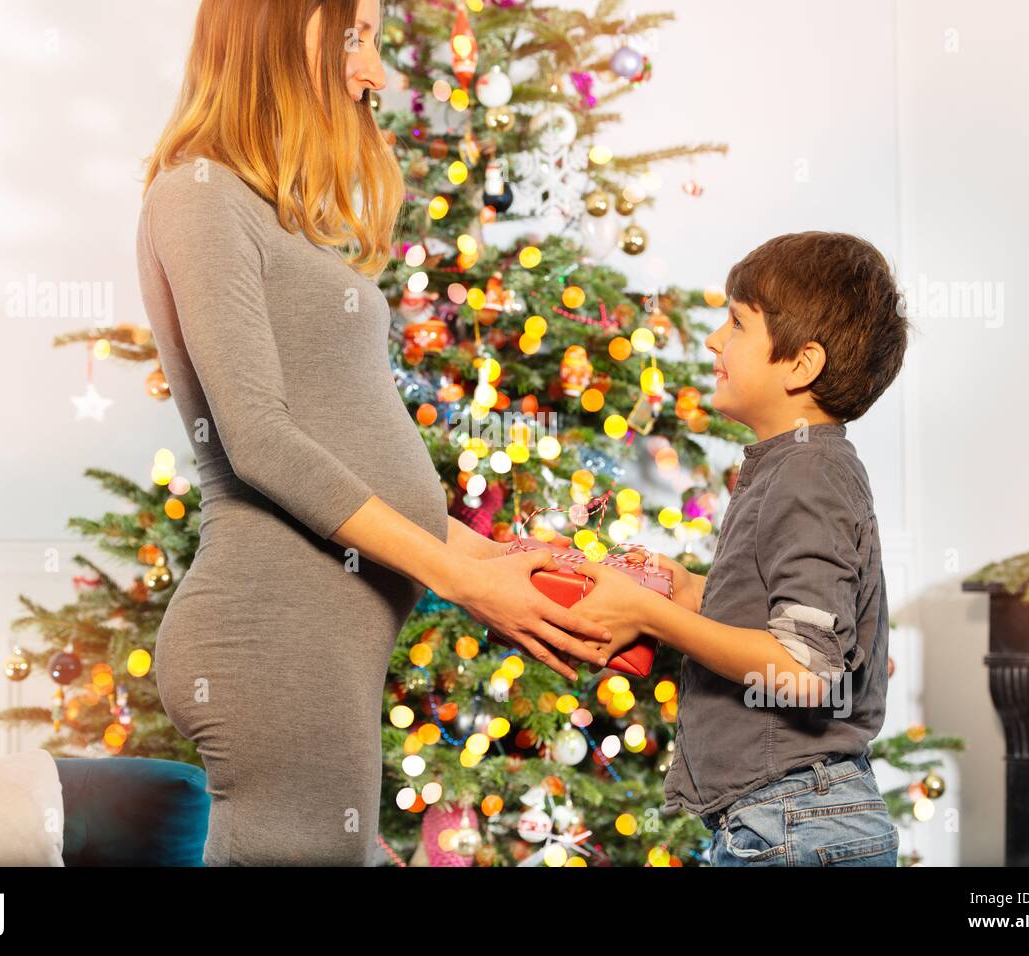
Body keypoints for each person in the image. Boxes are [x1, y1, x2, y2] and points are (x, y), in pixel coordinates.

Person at [135, 0, 610, 866]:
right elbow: (262, 442)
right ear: (280, 27)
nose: (377, 72)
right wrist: (458, 582)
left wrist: (486, 559)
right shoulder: (196, 197)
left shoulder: (266, 212)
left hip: (316, 645)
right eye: (358, 36)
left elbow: (339, 440)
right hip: (269, 634)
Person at [567, 232, 912, 866]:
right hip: (787, 816)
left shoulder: (809, 473)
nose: (713, 340)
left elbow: (807, 671)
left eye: (736, 322)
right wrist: (693, 592)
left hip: (793, 820)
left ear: (801, 365)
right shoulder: (799, 466)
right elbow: (788, 619)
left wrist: (651, 617)